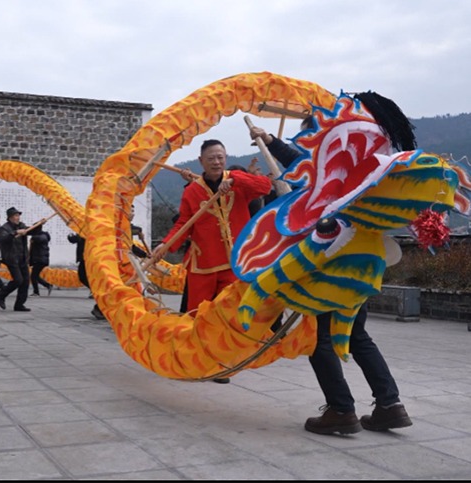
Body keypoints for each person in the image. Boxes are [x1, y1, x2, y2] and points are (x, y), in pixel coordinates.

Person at [249, 109, 413, 435]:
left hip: (330, 266)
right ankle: (390, 404)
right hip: (361, 266)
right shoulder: (364, 171)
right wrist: (269, 140)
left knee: (322, 338)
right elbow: (302, 164)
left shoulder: (332, 173)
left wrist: (272, 142)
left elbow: (303, 167)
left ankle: (341, 410)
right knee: (356, 335)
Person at [150, 139, 272, 314]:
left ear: (226, 158)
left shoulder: (237, 182)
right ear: (201, 161)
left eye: (220, 158)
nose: (216, 162)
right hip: (204, 262)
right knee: (198, 314)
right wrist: (166, 244)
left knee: (230, 314)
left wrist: (235, 180)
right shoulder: (192, 190)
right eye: (211, 158)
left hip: (235, 262)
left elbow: (265, 186)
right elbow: (184, 223)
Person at [0, 207, 32, 312]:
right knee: (18, 280)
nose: (18, 218)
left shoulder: (22, 225)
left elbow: (31, 230)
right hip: (11, 258)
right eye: (16, 216)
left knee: (25, 282)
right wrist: (15, 233)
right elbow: (3, 239)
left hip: (23, 258)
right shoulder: (4, 228)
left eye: (18, 215)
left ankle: (19, 305)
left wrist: (39, 223)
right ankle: (1, 295)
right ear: (10, 217)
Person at [67, 231, 104, 320]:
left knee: (87, 278)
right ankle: (98, 296)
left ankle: (101, 305)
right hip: (85, 258)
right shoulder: (83, 229)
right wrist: (70, 235)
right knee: (83, 277)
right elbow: (74, 239)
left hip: (93, 258)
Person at [29, 223, 53, 297]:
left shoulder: (43, 235)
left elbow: (42, 238)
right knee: (35, 275)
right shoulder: (37, 236)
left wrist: (33, 238)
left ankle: (36, 292)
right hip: (38, 259)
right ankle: (48, 285)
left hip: (41, 259)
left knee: (33, 276)